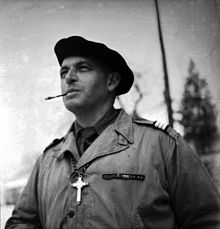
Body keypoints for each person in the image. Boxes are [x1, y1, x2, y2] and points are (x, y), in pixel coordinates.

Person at [5, 36, 220, 229]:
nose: (69, 78)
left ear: (112, 81)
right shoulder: (48, 160)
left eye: (82, 68)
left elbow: (207, 220)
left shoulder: (162, 145)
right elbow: (21, 222)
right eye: (63, 71)